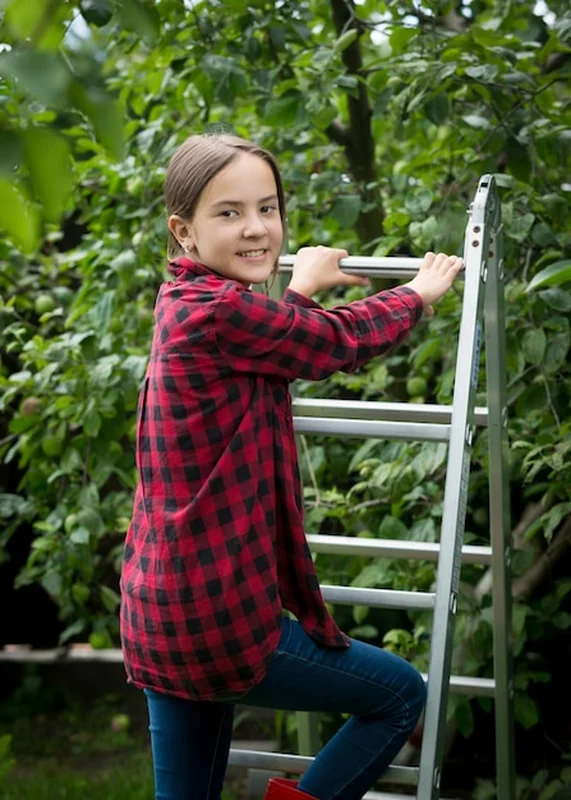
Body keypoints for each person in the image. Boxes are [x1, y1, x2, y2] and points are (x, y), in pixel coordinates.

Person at [120, 133, 463, 800]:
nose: (255, 228)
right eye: (228, 213)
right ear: (182, 231)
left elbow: (268, 354)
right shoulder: (221, 311)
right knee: (398, 693)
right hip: (216, 619)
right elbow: (329, 343)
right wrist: (417, 294)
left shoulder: (186, 303)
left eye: (267, 208)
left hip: (163, 613)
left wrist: (299, 287)